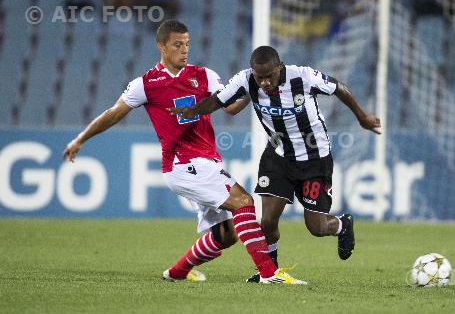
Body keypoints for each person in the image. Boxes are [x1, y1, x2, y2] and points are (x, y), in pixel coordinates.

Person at [62, 20, 305, 285]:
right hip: (182, 163)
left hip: (206, 161)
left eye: (187, 44)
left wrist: (251, 88)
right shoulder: (146, 84)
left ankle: (177, 272)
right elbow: (113, 114)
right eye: (178, 44)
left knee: (227, 234)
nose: (184, 50)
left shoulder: (204, 75)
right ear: (161, 46)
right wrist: (80, 139)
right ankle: (270, 274)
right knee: (244, 202)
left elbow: (231, 108)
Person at [169, 45, 381, 283]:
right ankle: (269, 272)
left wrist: (362, 117)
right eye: (260, 78)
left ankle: (342, 225)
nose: (265, 83)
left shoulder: (303, 76)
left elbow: (339, 88)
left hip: (314, 160)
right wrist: (192, 111)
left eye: (270, 76)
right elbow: (217, 101)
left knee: (317, 227)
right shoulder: (245, 80)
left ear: (279, 67)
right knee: (267, 221)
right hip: (278, 157)